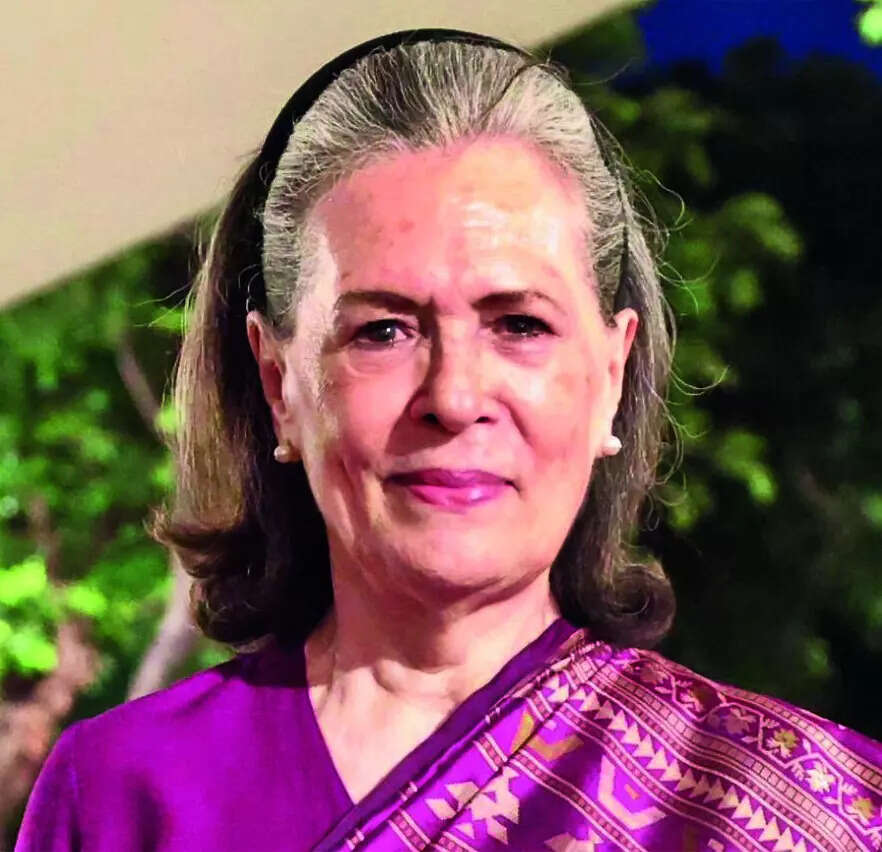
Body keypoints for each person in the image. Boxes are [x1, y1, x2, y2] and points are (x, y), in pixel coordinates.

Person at [16, 28, 882, 852]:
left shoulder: (794, 808)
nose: (455, 398)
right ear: (279, 385)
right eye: (383, 332)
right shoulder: (129, 791)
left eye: (519, 325)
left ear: (611, 375)